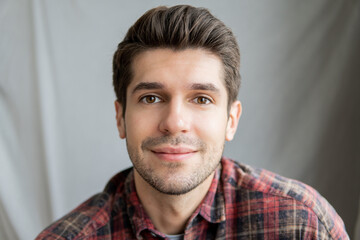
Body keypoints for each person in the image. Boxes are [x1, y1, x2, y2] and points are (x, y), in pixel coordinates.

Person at [36, 5, 349, 240]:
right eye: (151, 98)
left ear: (231, 119)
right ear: (120, 118)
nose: (174, 123)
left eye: (201, 99)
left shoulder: (302, 224)